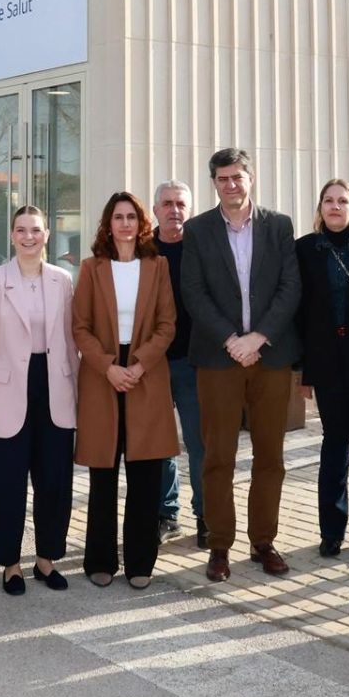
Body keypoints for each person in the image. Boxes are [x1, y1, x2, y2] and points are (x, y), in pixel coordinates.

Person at [180, 148, 301, 582]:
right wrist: (232, 340)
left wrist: (259, 337)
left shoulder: (279, 225)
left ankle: (263, 541)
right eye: (223, 178)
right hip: (218, 358)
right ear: (214, 182)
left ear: (251, 178)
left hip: (270, 356)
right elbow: (194, 293)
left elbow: (290, 287)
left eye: (238, 177)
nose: (231, 185)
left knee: (270, 456)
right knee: (218, 457)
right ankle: (219, 545)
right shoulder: (198, 230)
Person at [0, 205, 78, 596]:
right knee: (6, 484)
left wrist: (79, 397)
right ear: (12, 236)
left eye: (36, 229)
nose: (29, 236)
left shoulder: (63, 280)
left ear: (47, 234)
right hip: (5, 392)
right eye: (21, 230)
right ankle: (11, 564)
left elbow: (70, 343)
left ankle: (47, 560)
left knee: (54, 481)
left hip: (55, 388)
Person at [74, 192, 178, 588]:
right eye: (117, 217)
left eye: (131, 216)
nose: (125, 224)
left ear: (141, 223)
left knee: (145, 472)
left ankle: (140, 562)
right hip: (102, 373)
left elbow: (167, 324)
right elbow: (79, 326)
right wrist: (107, 367)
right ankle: (100, 559)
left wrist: (136, 365)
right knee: (104, 473)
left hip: (145, 372)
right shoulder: (91, 268)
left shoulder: (158, 266)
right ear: (108, 224)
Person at [295, 178, 349, 561]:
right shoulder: (303, 249)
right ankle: (331, 531)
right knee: (334, 447)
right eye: (328, 200)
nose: (335, 207)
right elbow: (298, 314)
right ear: (320, 207)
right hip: (327, 365)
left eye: (343, 200)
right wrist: (304, 370)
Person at [152, 180, 203, 546]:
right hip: (152, 363)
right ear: (155, 210)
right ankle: (166, 514)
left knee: (200, 443)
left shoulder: (201, 248)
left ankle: (206, 515)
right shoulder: (141, 251)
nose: (174, 210)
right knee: (159, 444)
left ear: (190, 208)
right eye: (167, 203)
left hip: (192, 360)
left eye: (180, 203)